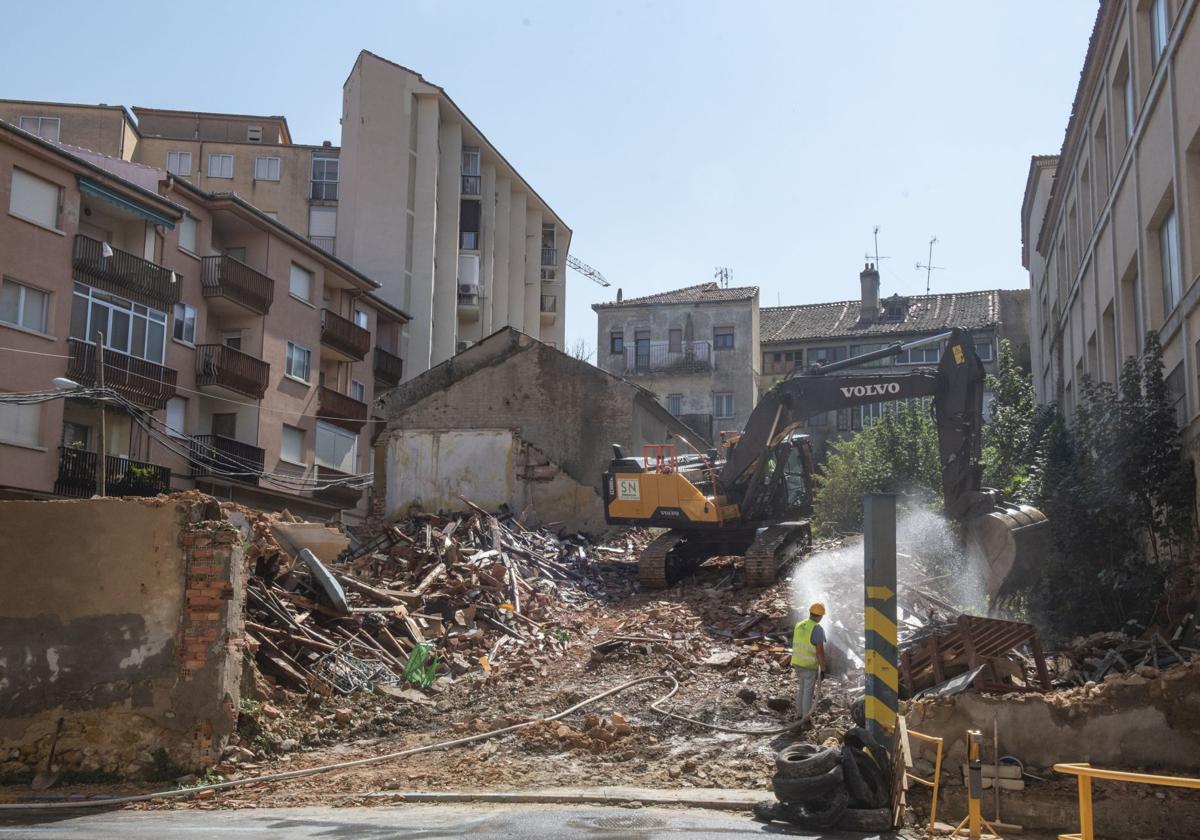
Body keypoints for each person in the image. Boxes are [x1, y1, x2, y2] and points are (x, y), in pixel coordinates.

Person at [792, 602, 827, 721]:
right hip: (809, 665)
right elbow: (820, 651)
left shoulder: (799, 624)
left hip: (797, 663)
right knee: (808, 692)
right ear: (821, 616)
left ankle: (799, 715)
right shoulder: (817, 628)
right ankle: (805, 719)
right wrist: (823, 669)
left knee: (801, 689)